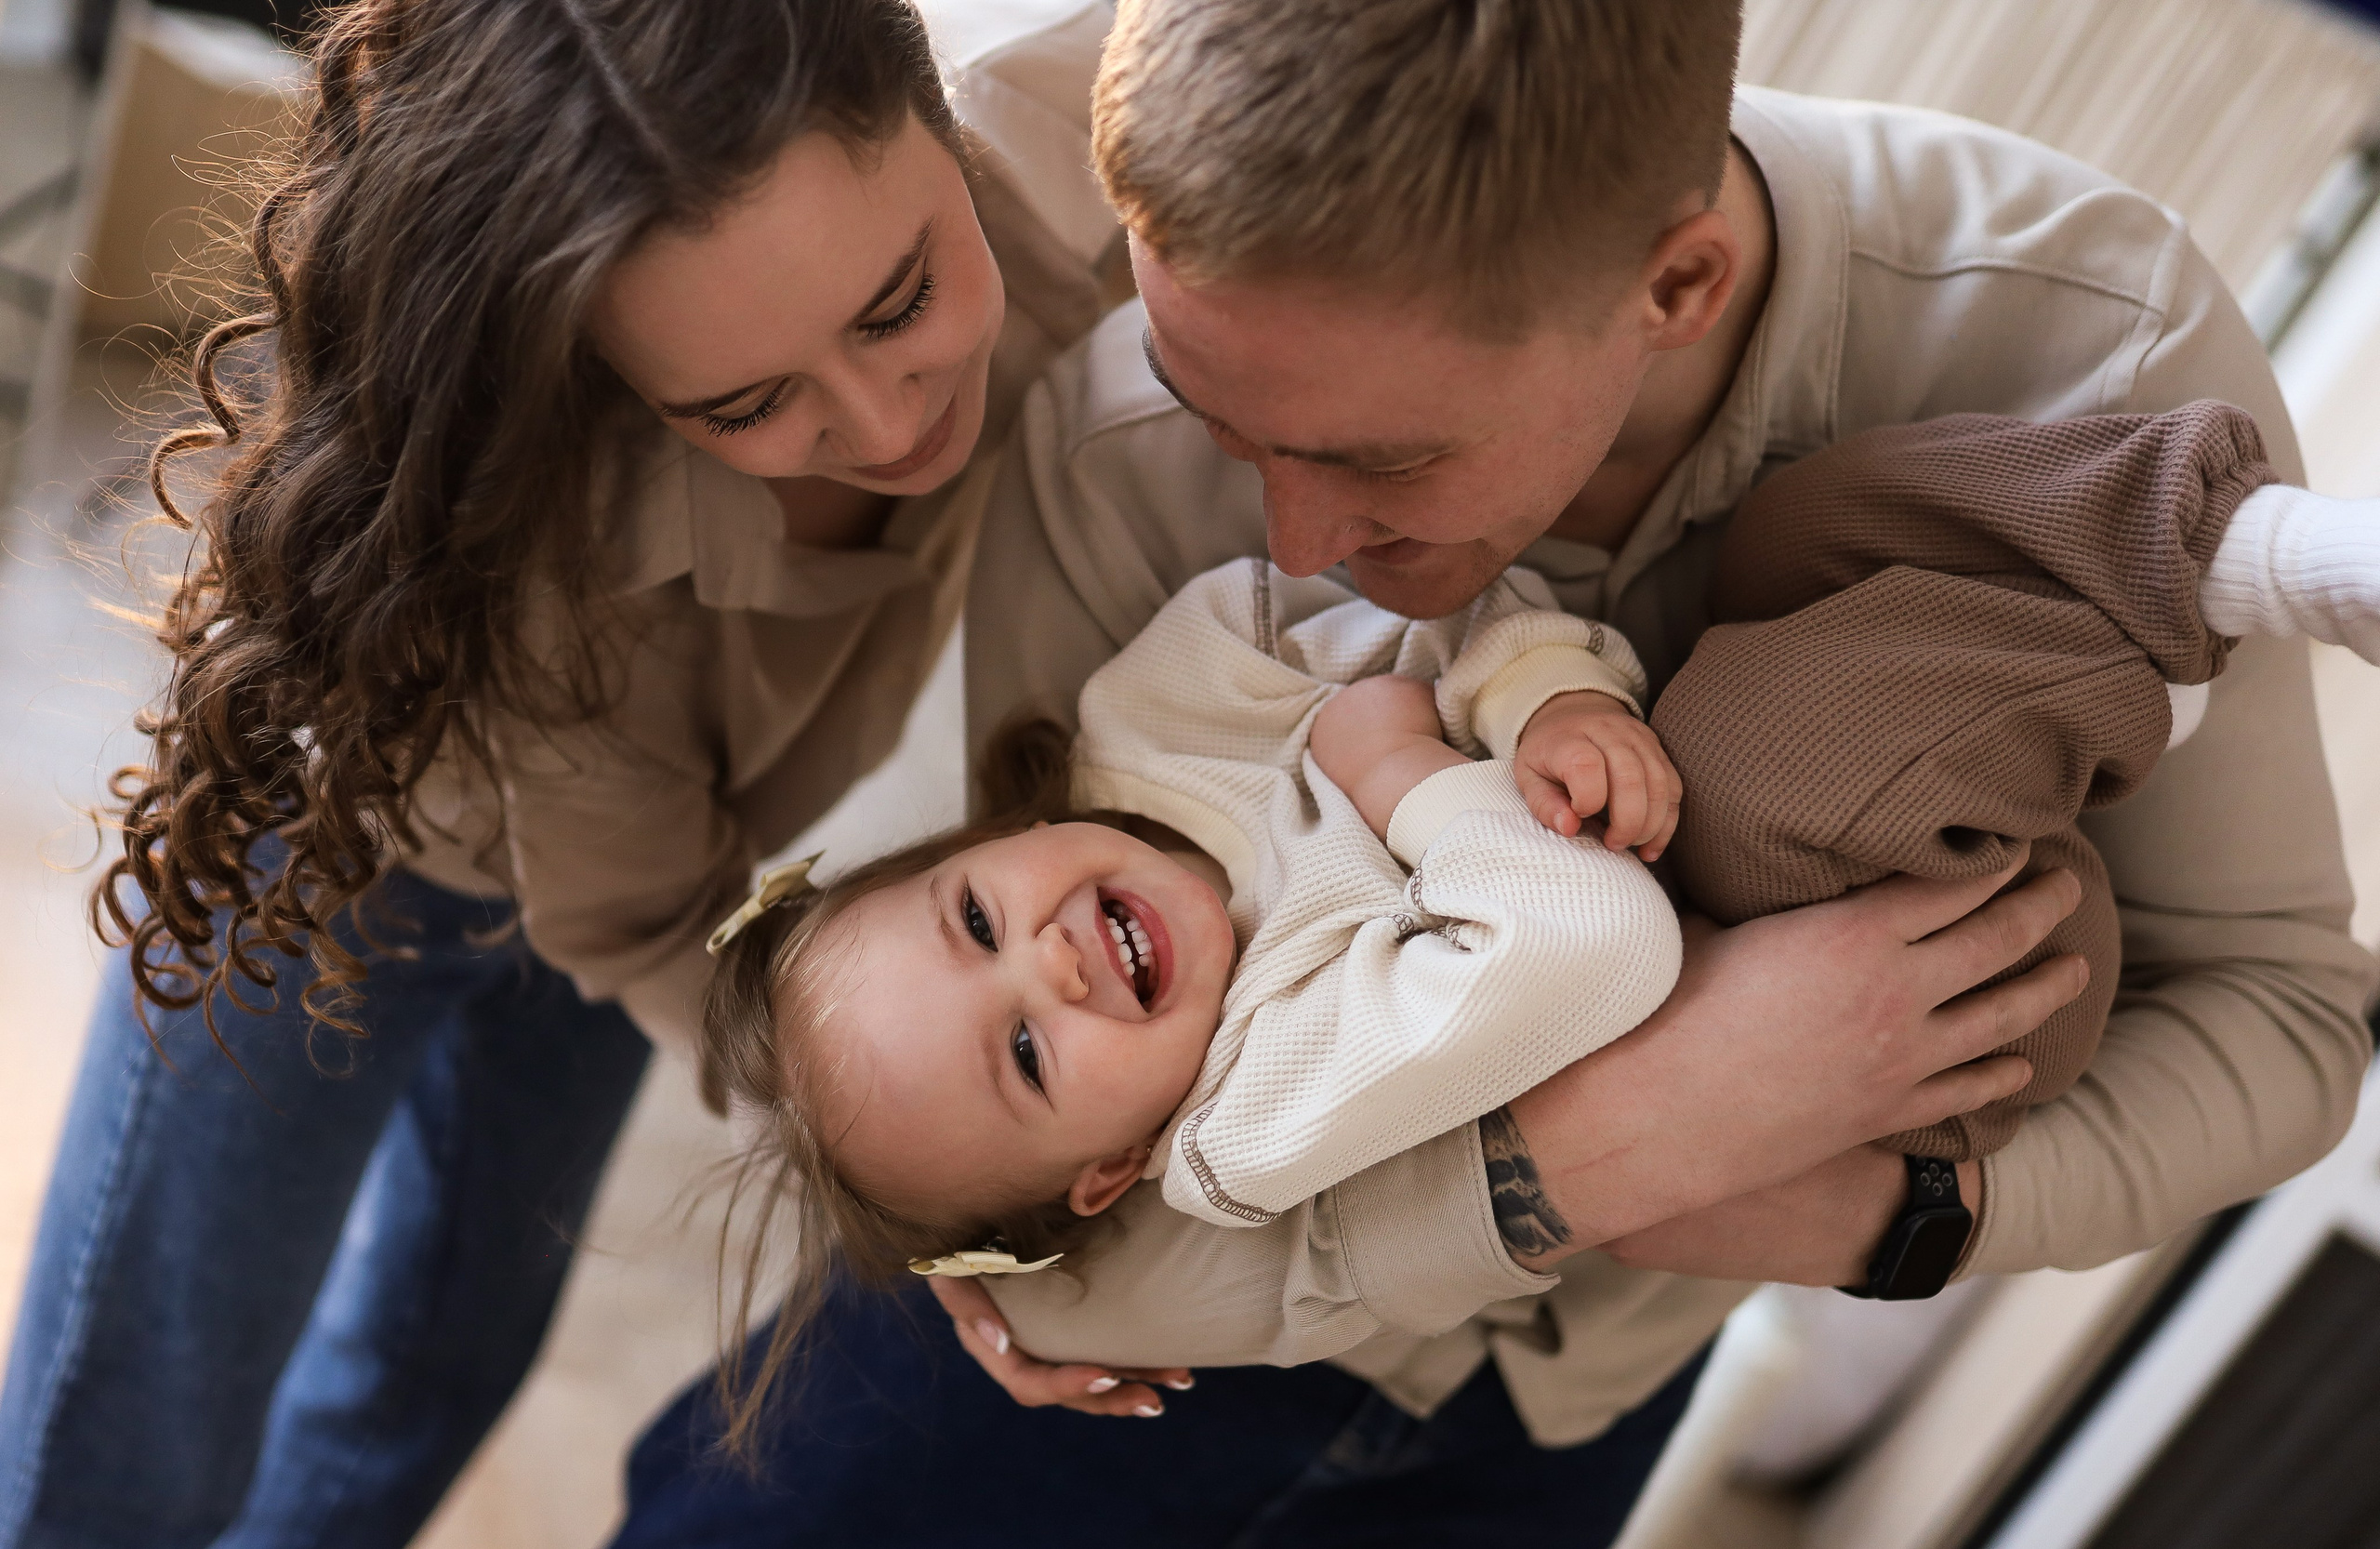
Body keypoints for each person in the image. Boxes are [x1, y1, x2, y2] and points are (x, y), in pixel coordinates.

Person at [615, 0, 2375, 1542]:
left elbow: (2288, 1025)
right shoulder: (1122, 435)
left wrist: (1863, 1203)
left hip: (1558, 1404)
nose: (1290, 541)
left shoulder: (2095, 353)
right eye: (1230, 425)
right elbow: (1043, 1157)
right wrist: (1592, 1154)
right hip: (1167, 1346)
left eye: (1381, 460)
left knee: (1839, 612)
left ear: (1674, 285)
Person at [0, 2, 1133, 1544]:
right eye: (745, 407)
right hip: (349, 844)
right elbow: (634, 916)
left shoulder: (1097, 142)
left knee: (444, 1351)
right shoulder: (552, 544)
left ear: (935, 105)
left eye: (902, 297)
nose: (884, 422)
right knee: (147, 1396)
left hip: (671, 871)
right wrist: (911, 1193)